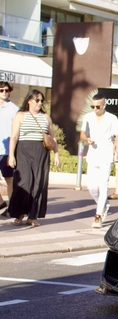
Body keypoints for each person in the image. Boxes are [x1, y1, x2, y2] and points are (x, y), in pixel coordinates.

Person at [7, 89, 60, 227]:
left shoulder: (46, 117)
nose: (40, 103)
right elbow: (13, 137)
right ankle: (18, 215)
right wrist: (11, 155)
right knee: (24, 183)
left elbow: (52, 137)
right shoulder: (20, 115)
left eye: (42, 100)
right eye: (37, 100)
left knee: (38, 185)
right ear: (29, 100)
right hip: (23, 151)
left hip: (41, 153)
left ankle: (32, 216)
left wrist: (56, 154)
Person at [80, 93, 118, 229]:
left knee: (103, 185)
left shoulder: (112, 118)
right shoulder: (88, 117)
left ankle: (98, 215)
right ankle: (103, 204)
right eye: (93, 106)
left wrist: (117, 152)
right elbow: (82, 133)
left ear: (104, 105)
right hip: (93, 154)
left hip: (106, 154)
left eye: (98, 106)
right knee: (91, 187)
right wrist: (87, 139)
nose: (95, 109)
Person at [0, 81, 19, 216]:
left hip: (6, 150)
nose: (4, 93)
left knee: (9, 180)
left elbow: (16, 131)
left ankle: (12, 207)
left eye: (6, 90)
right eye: (1, 90)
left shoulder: (14, 109)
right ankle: (1, 202)